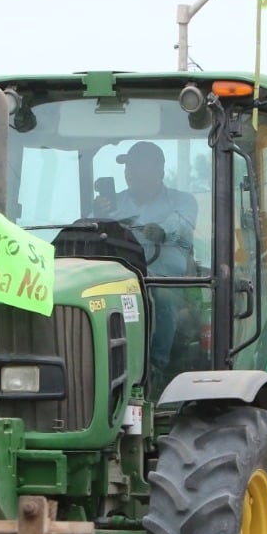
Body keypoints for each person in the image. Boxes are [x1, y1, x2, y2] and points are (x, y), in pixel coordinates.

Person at [101, 141, 198, 371]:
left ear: (160, 171)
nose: (130, 172)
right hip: (119, 279)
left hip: (167, 282)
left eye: (138, 165)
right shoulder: (113, 204)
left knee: (159, 296)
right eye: (128, 166)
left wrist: (163, 231)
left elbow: (182, 224)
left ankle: (156, 365)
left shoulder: (182, 202)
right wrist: (98, 214)